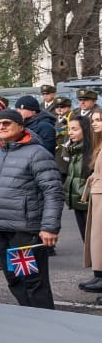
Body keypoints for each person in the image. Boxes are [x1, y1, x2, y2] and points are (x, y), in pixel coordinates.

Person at [0, 108, 62, 309]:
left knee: (33, 282)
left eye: (6, 123)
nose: (1, 127)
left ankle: (45, 324)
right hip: (3, 231)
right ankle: (28, 318)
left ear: (20, 126)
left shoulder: (37, 153)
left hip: (25, 232)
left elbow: (53, 191)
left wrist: (50, 227)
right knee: (14, 279)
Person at [62, 115, 91, 241]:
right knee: (86, 241)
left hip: (88, 203)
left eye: (74, 129)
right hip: (78, 201)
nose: (70, 133)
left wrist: (85, 194)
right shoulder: (75, 150)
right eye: (69, 129)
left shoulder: (93, 151)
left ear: (85, 130)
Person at [83, 113, 102, 293]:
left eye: (99, 120)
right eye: (93, 121)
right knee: (97, 239)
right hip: (98, 195)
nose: (95, 124)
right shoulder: (100, 145)